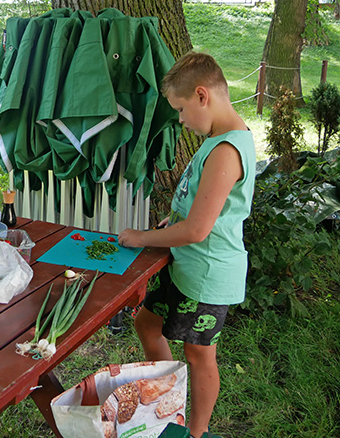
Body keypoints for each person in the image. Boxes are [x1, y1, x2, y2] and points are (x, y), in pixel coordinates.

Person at [118, 51, 255, 438]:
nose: (180, 119)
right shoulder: (217, 136)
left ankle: (196, 432)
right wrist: (172, 221)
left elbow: (198, 230)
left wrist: (142, 237)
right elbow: (201, 206)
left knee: (199, 354)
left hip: (207, 272)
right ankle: (167, 407)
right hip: (184, 263)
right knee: (147, 323)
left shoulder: (228, 150)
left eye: (179, 109)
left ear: (201, 95)